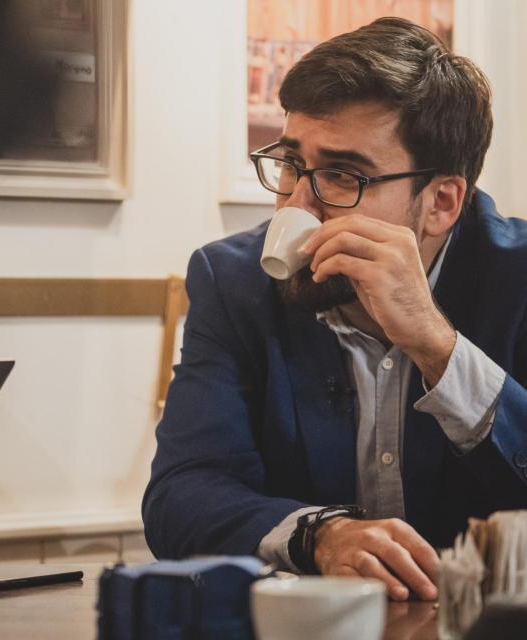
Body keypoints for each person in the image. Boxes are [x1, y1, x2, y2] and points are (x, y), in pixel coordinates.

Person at [143, 17, 527, 602]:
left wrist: (435, 345)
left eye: (342, 176)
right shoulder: (233, 282)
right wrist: (320, 535)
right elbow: (182, 494)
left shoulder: (516, 278)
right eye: (292, 164)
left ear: (441, 203)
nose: (298, 204)